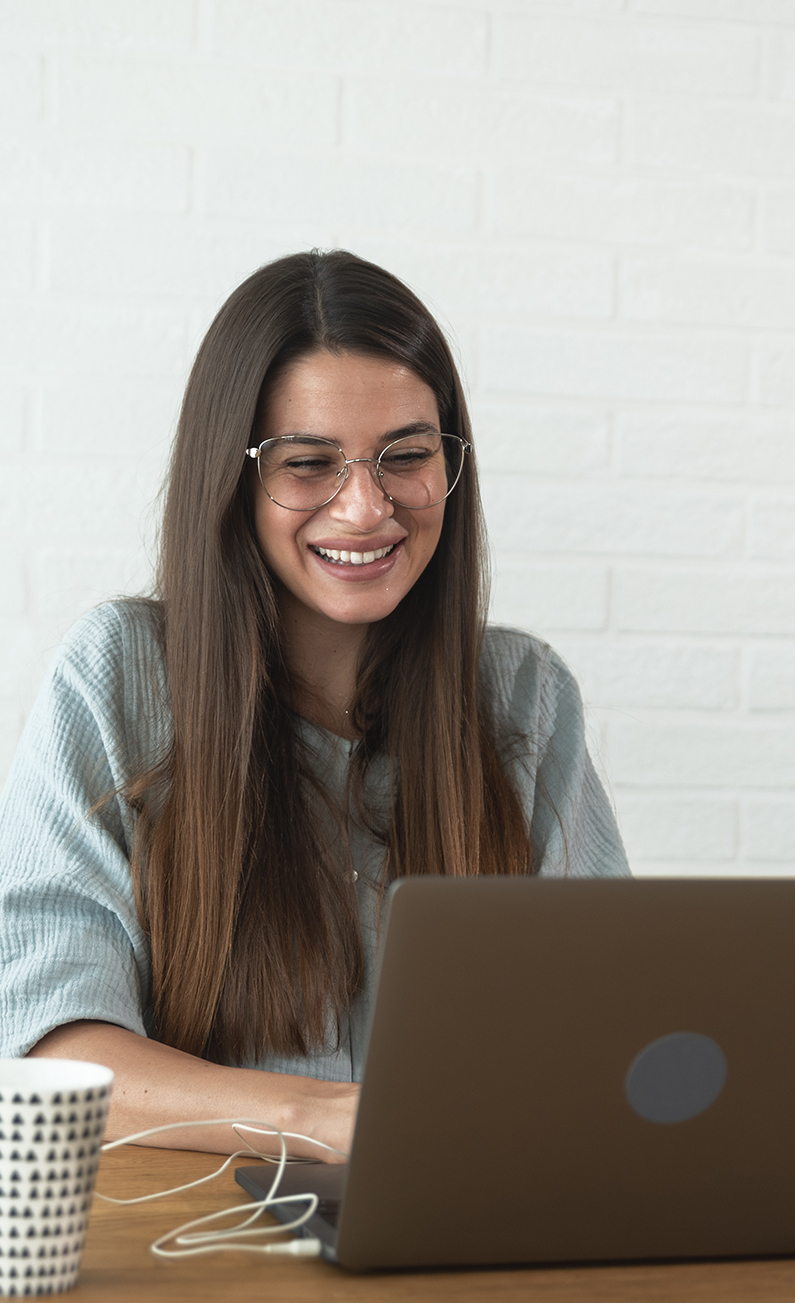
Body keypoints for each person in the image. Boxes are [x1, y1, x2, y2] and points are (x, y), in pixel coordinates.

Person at [0, 251, 630, 1162]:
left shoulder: (524, 695)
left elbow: (614, 1021)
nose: (367, 506)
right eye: (309, 463)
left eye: (406, 456)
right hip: (200, 1243)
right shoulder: (117, 676)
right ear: (236, 477)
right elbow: (52, 1046)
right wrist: (316, 1119)